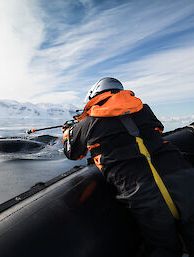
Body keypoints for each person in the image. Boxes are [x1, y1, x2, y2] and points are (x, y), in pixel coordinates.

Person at [62, 77, 194, 257]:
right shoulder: (145, 110)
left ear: (94, 95)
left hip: (143, 191)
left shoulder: (88, 123)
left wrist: (68, 132)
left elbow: (73, 153)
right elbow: (156, 131)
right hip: (185, 177)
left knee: (164, 248)